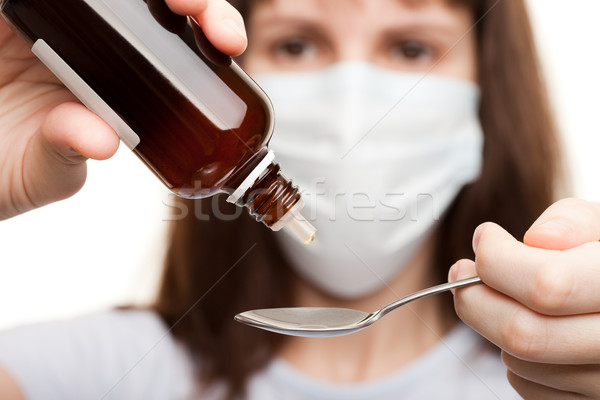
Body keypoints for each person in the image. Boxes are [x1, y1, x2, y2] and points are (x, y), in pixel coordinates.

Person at [0, 0, 599, 399]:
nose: (351, 107)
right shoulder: (88, 373)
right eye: (296, 44)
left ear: (490, 89)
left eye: (413, 48)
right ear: (215, 59)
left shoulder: (562, 382)